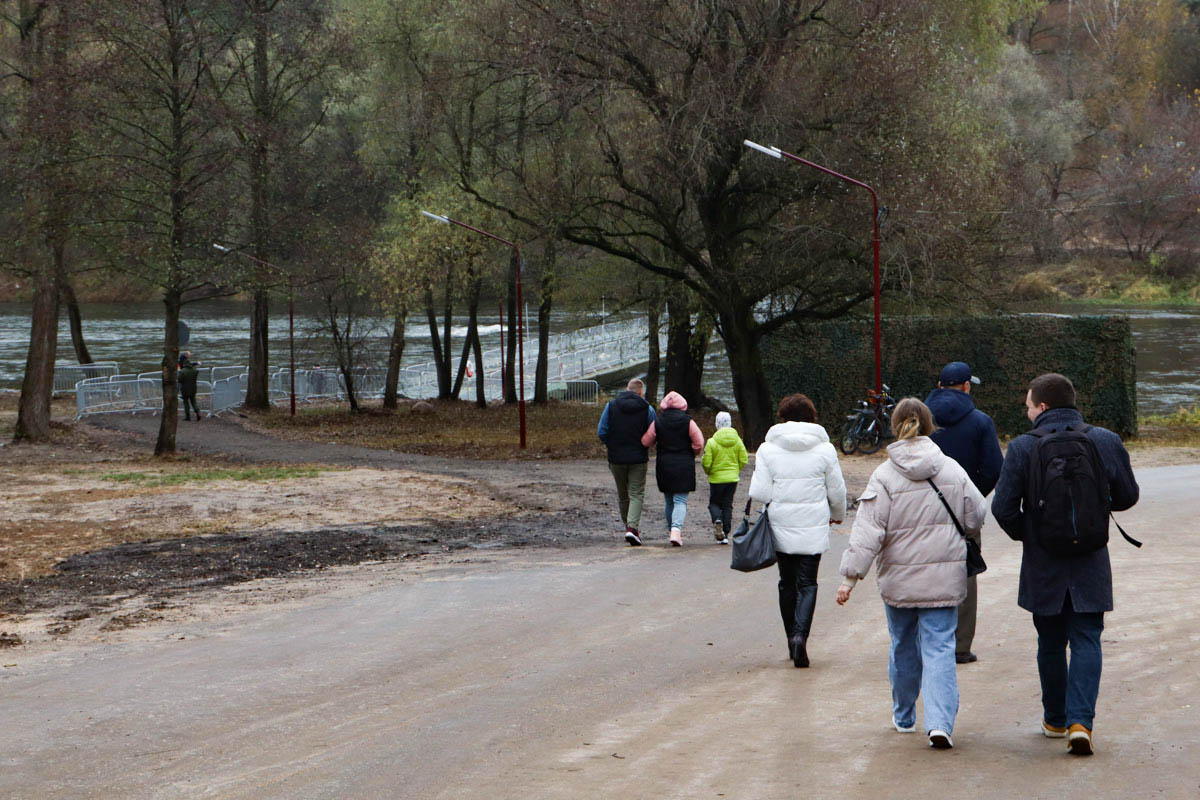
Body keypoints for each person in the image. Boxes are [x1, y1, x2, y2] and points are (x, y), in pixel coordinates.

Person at [990, 373, 1139, 756]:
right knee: (1088, 637)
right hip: (1090, 557)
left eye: (1027, 406)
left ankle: (1055, 719)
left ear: (1042, 407)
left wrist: (1034, 533)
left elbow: (1003, 507)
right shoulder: (1104, 440)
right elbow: (1128, 496)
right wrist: (1094, 510)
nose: (1026, 413)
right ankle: (1081, 724)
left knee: (1051, 640)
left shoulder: (1023, 447)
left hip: (1044, 562)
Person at [837, 398, 986, 749]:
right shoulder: (950, 469)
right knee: (940, 648)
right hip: (944, 578)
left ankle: (905, 716)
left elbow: (867, 531)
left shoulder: (884, 475)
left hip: (899, 581)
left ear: (894, 425)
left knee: (903, 645)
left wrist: (849, 578)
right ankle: (940, 724)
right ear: (930, 425)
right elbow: (976, 515)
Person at [749, 393, 846, 668]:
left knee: (786, 583)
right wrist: (837, 515)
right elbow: (836, 490)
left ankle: (791, 637)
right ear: (812, 417)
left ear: (782, 417)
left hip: (781, 523)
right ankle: (802, 637)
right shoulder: (825, 449)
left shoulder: (768, 449)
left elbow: (760, 491)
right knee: (808, 583)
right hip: (813, 524)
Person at [925, 360, 1003, 665]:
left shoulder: (920, 417)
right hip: (963, 511)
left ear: (940, 385)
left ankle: (928, 639)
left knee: (924, 569)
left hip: (922, 508)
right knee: (966, 571)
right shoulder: (981, 421)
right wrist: (972, 496)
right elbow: (995, 468)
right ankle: (960, 646)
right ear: (967, 386)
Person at [597, 378, 656, 546]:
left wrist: (611, 444)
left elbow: (602, 431)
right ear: (640, 392)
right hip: (638, 457)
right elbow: (653, 433)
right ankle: (632, 528)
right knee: (636, 493)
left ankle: (628, 527)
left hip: (616, 457)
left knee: (623, 496)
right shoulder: (647, 409)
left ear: (626, 389)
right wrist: (646, 445)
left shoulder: (611, 406)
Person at [640, 390, 703, 547]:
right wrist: (693, 452)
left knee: (669, 500)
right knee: (680, 500)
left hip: (664, 464)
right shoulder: (689, 422)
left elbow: (646, 441)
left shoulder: (658, 422)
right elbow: (699, 443)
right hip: (684, 464)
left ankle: (671, 530)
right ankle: (676, 530)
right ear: (682, 406)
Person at [702, 411, 748, 544]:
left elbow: (706, 462)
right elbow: (744, 459)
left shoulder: (712, 442)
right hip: (732, 478)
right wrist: (736, 470)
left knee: (714, 503)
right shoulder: (738, 440)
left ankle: (717, 520)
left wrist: (709, 471)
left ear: (717, 424)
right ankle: (726, 534)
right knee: (727, 505)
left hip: (716, 479)